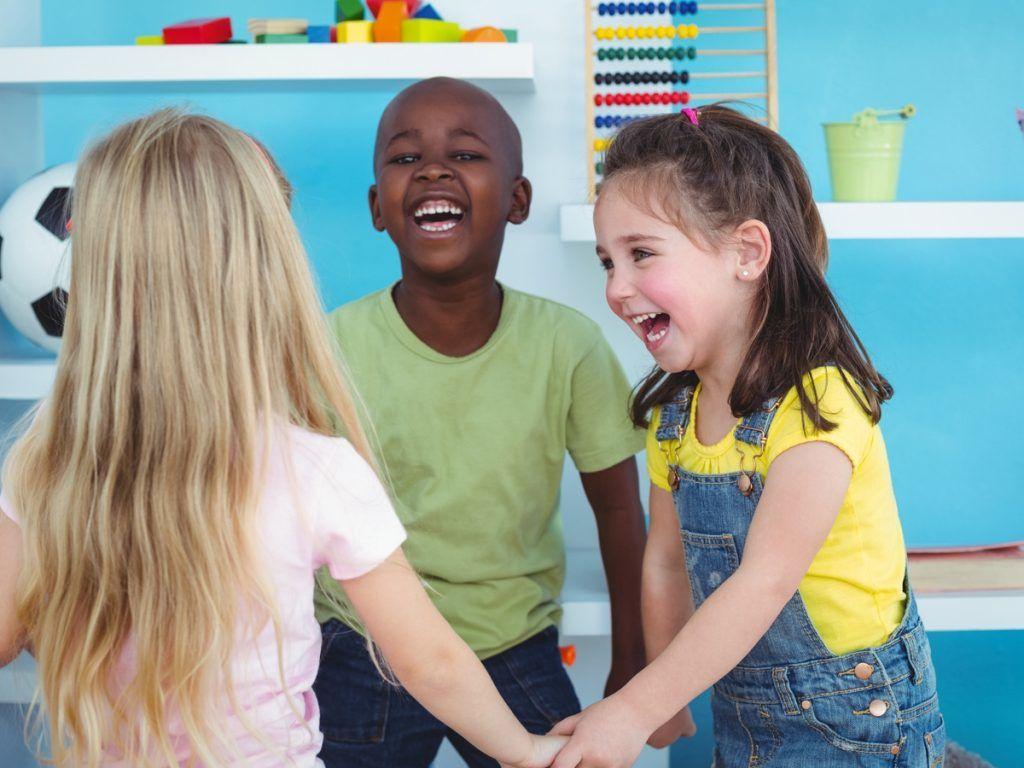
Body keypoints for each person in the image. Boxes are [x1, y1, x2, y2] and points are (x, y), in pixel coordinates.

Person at [0, 109, 564, 768]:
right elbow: (431, 662)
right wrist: (524, 751)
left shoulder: (45, 459)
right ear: (268, 274)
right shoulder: (315, 470)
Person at [549, 105, 944, 767]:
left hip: (860, 721)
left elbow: (765, 581)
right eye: (607, 262)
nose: (618, 289)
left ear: (747, 253)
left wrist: (634, 707)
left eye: (641, 254)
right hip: (746, 715)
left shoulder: (821, 401)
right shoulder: (674, 415)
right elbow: (666, 562)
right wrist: (664, 693)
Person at [314, 77, 649, 767]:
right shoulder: (326, 348)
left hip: (511, 645)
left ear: (517, 200)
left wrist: (634, 668)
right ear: (379, 206)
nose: (433, 170)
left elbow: (620, 512)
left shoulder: (567, 344)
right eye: (406, 160)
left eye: (464, 156)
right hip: (363, 647)